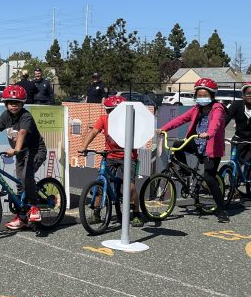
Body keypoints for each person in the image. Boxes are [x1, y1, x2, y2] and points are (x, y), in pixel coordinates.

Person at [0, 84, 48, 230]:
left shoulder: (26, 116)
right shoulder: (5, 116)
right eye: (11, 103)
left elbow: (21, 133)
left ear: (22, 104)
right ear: (6, 104)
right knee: (20, 183)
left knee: (26, 177)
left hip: (35, 150)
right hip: (20, 152)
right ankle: (22, 216)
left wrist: (16, 149)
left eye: (17, 103)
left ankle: (34, 207)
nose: (14, 106)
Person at [157, 78, 228, 222]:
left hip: (211, 146)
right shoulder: (196, 109)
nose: (201, 98)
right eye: (199, 95)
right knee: (177, 145)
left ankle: (221, 210)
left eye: (204, 95)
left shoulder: (217, 109)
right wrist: (164, 128)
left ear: (212, 95)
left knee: (209, 178)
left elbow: (215, 123)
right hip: (196, 141)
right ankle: (186, 172)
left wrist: (209, 133)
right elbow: (181, 119)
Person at [78, 95, 144, 226]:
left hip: (127, 156)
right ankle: (97, 214)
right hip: (110, 155)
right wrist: (84, 147)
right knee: (100, 184)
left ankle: (136, 213)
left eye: (114, 111)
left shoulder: (129, 122)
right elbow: (93, 132)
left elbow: (139, 135)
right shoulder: (104, 119)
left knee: (130, 186)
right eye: (108, 110)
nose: (111, 114)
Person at [224, 81, 251, 179]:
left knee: (249, 165)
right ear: (243, 95)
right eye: (248, 93)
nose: (250, 96)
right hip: (239, 139)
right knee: (234, 163)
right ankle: (233, 188)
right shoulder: (237, 105)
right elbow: (225, 120)